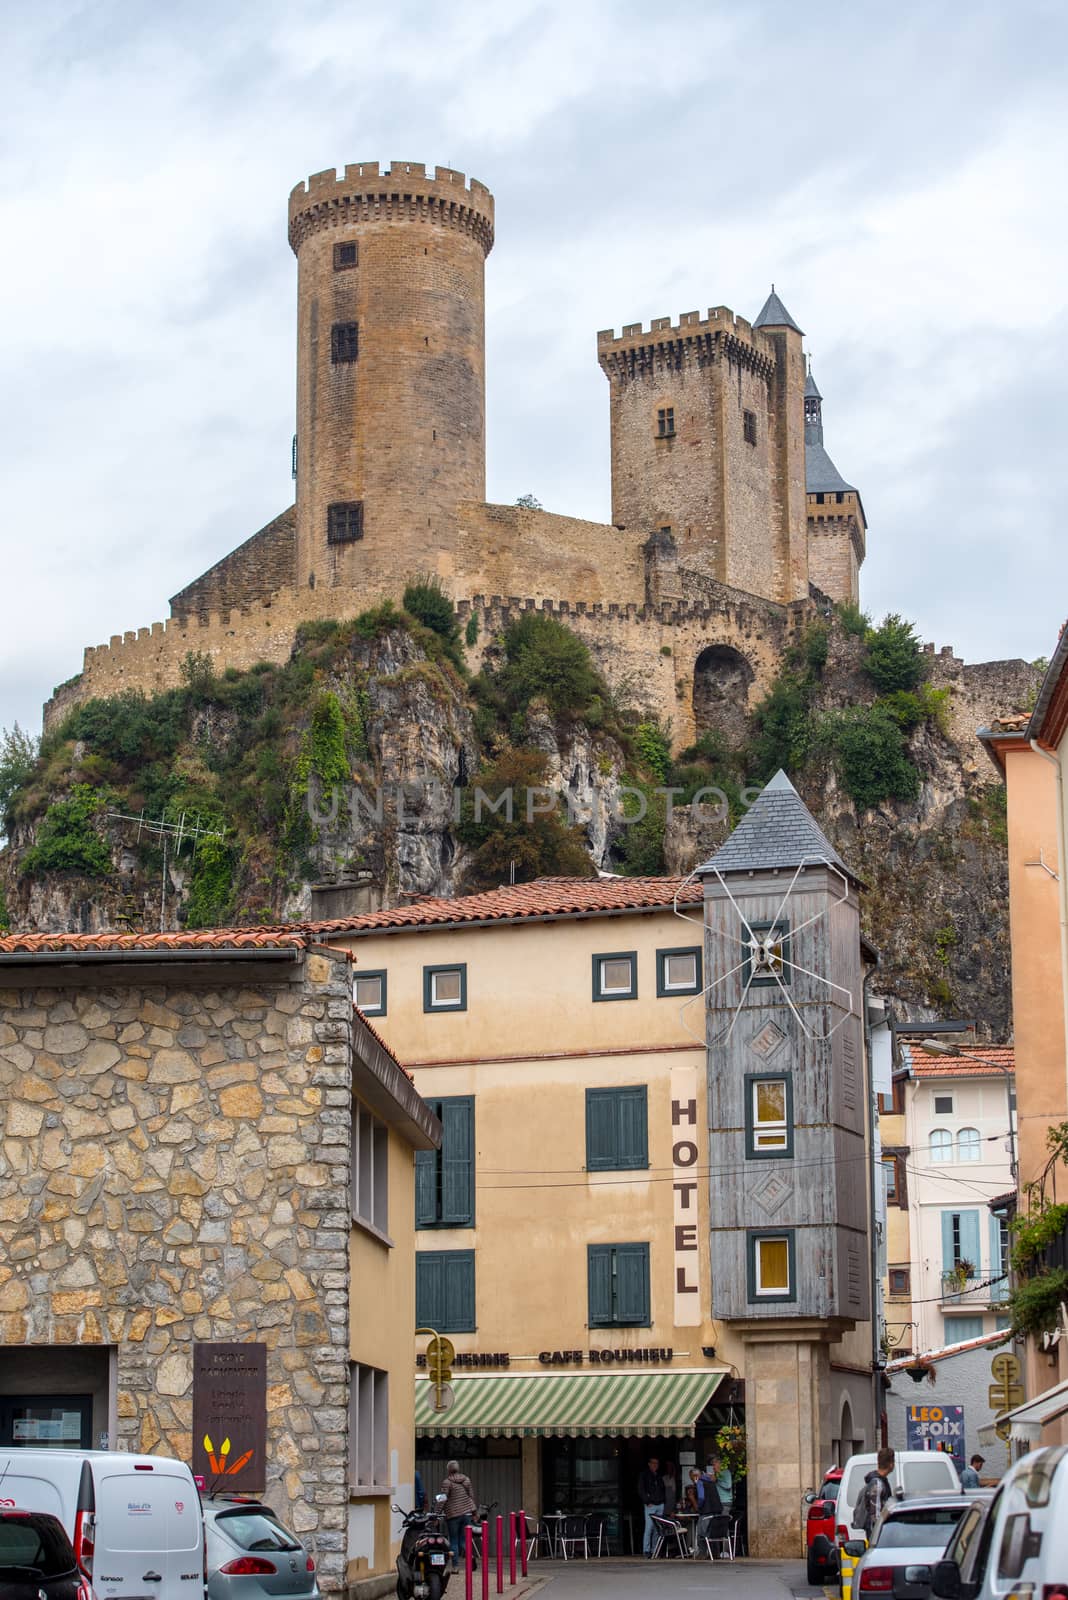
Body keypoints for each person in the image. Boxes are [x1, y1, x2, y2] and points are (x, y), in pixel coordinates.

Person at [441, 1459, 478, 1567]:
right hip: (466, 1514)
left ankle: (455, 1566)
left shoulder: (447, 1482)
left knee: (454, 1540)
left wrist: (436, 1513)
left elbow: (442, 1499)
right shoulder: (466, 1480)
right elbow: (471, 1497)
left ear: (448, 1470)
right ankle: (470, 1558)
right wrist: (474, 1512)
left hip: (453, 1515)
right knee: (464, 1540)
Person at [854, 1447, 895, 1539]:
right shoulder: (877, 1484)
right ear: (891, 1464)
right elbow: (875, 1515)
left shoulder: (879, 1481)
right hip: (877, 1535)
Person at [638, 1455, 665, 1557]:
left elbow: (662, 1489)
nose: (655, 1465)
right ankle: (646, 1550)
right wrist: (647, 1501)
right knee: (649, 1528)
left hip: (660, 1504)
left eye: (656, 1463)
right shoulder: (644, 1475)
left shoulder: (659, 1475)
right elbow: (641, 1489)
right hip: (651, 1505)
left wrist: (663, 1501)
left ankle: (655, 1550)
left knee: (657, 1529)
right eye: (653, 1463)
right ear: (649, 1464)